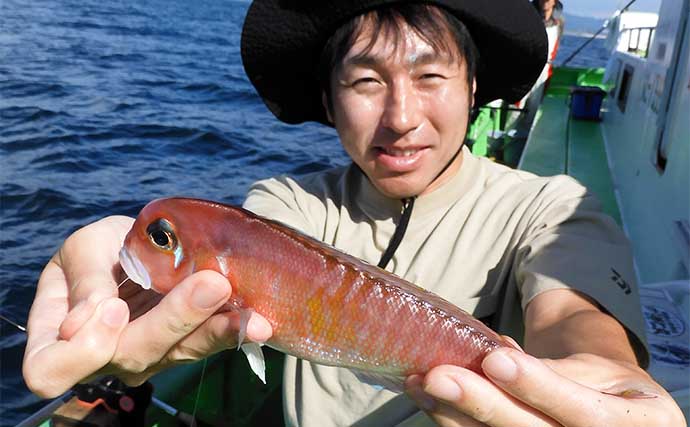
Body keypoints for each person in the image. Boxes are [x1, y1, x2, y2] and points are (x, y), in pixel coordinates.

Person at [23, 1, 685, 426]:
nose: (400, 118)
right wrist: (114, 265)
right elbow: (237, 245)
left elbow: (574, 315)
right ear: (329, 97)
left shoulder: (550, 206)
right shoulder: (289, 205)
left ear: (474, 87)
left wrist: (606, 376)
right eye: (366, 81)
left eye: (431, 77)